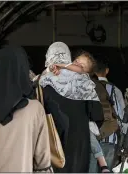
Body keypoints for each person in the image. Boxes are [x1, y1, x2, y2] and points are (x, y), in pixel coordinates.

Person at [38, 42, 104, 172]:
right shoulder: (85, 83)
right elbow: (98, 115)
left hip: (52, 146)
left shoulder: (42, 81)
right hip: (79, 146)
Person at [54, 50, 112, 173]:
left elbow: (96, 115)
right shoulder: (56, 76)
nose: (76, 66)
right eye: (75, 62)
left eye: (81, 66)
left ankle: (103, 164)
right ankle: (103, 164)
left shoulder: (86, 86)